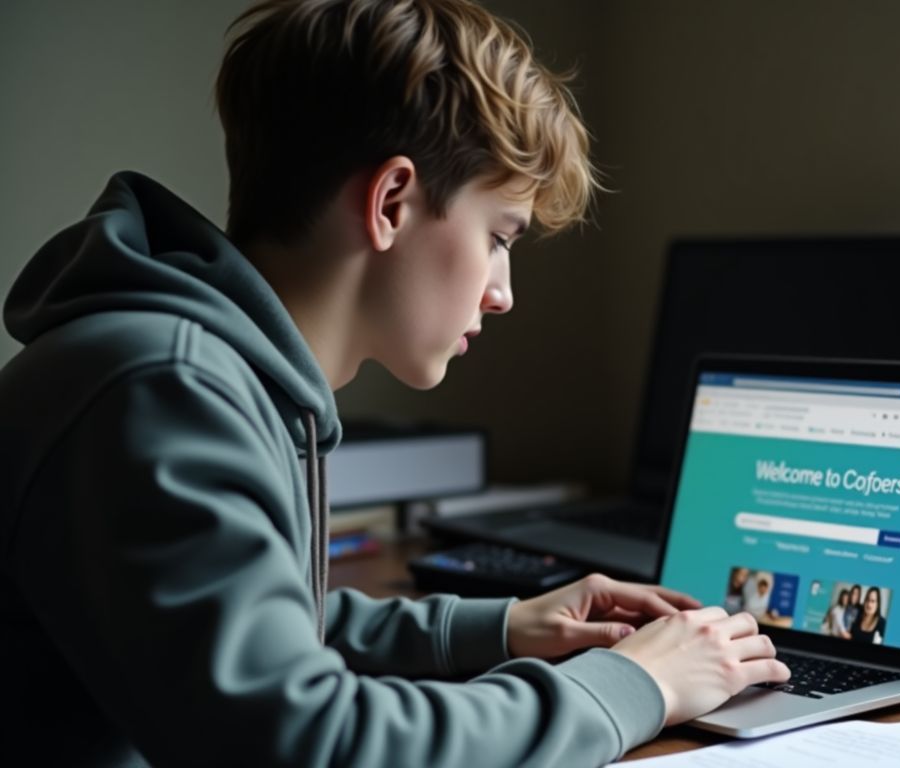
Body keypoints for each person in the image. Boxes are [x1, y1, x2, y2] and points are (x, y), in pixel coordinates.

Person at [0, 1, 789, 765]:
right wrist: (633, 684)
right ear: (391, 201)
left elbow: (261, 630)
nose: (503, 292)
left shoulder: (202, 373)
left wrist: (503, 626)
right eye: (498, 237)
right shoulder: (162, 389)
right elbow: (309, 742)